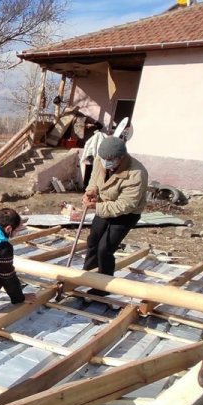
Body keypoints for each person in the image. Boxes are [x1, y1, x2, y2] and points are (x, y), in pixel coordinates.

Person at [82, 136, 148, 294]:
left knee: (105, 248)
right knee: (93, 240)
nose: (106, 162)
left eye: (110, 159)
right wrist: (91, 191)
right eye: (104, 158)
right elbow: (94, 179)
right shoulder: (100, 159)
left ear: (121, 157)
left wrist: (96, 206)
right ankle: (88, 275)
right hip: (104, 205)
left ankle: (103, 286)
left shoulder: (136, 174)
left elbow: (125, 205)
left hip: (126, 214)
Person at [80, 123, 108, 190]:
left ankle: (89, 188)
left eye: (89, 125)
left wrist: (92, 154)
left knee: (93, 174)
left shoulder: (98, 135)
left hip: (95, 158)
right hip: (93, 159)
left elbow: (94, 146)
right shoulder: (99, 135)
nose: (87, 126)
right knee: (92, 173)